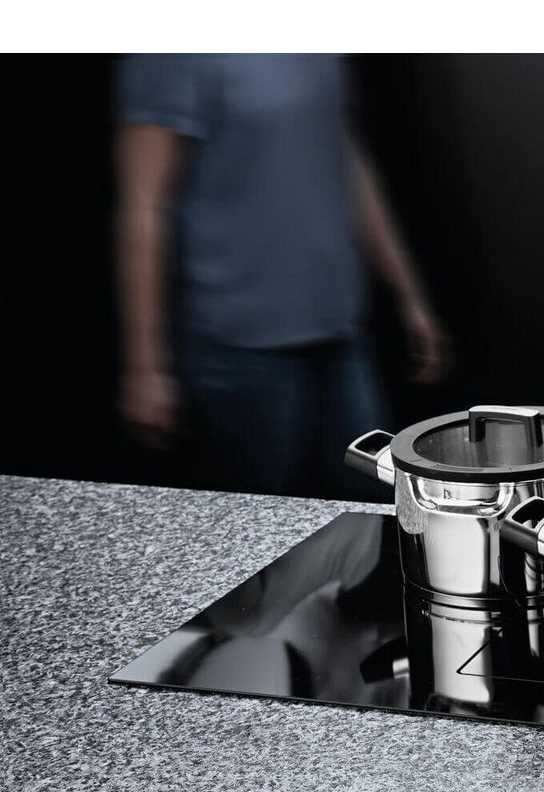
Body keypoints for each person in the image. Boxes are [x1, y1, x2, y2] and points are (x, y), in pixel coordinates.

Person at [114, 54, 449, 499]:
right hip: (240, 345)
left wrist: (408, 294)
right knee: (259, 527)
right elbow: (144, 207)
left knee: (366, 514)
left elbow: (344, 162)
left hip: (337, 330)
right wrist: (145, 367)